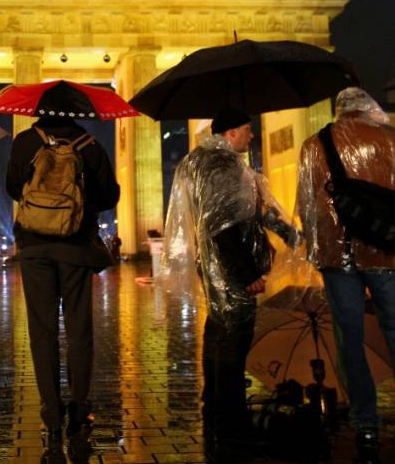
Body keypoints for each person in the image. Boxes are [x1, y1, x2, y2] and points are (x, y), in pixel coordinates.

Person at [162, 106, 291, 455]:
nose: (252, 135)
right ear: (231, 132)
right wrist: (247, 273)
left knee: (218, 333)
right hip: (232, 268)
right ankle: (233, 422)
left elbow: (248, 210)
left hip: (215, 265)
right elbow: (225, 226)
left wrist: (287, 233)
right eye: (247, 129)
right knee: (233, 340)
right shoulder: (222, 166)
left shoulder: (198, 161)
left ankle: (215, 411)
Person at [5, 115, 119, 447]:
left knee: (42, 332)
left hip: (35, 246)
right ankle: (80, 411)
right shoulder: (89, 145)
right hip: (76, 247)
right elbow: (109, 197)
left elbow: (13, 188)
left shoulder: (25, 142)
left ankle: (52, 415)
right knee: (79, 330)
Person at [296, 87, 395, 459]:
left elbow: (306, 203)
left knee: (349, 338)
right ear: (368, 108)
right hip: (386, 251)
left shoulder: (313, 145)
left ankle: (366, 423)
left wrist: (316, 247)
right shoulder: (389, 139)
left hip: (337, 257)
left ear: (338, 111)